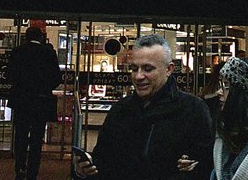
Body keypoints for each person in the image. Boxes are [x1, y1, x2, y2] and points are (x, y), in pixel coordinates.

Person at [74, 34, 213, 180]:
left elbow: (204, 165)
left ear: (169, 69)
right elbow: (103, 161)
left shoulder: (193, 109)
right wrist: (85, 170)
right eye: (134, 69)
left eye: (147, 69)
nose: (139, 76)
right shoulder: (120, 110)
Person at [7, 26, 63, 180]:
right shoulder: (48, 53)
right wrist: (45, 87)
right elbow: (57, 78)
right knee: (37, 137)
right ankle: (33, 171)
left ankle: (20, 167)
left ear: (26, 37)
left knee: (21, 134)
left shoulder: (17, 52)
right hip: (41, 100)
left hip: (21, 100)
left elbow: (9, 75)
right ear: (41, 37)